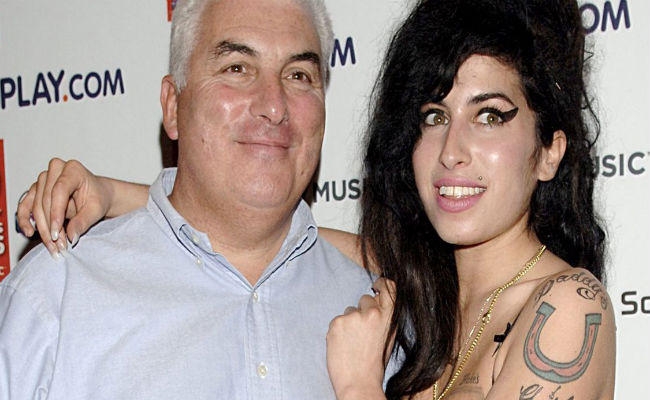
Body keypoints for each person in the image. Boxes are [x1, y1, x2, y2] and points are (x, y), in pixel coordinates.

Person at [17, 0, 617, 399]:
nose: (452, 151)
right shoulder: (419, 288)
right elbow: (268, 234)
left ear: (550, 151)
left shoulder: (566, 308)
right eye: (435, 116)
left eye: (489, 116)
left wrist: (357, 387)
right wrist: (119, 195)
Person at [1, 0, 381, 398]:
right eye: (237, 68)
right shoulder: (56, 298)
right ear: (173, 106)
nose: (274, 106)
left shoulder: (378, 312)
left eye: (299, 75)